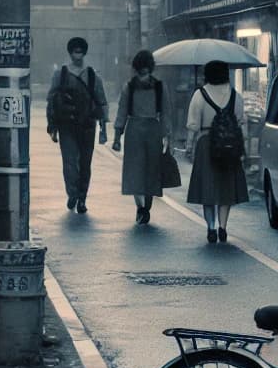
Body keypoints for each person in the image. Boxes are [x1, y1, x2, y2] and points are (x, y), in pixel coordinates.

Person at [185, 59, 249, 243]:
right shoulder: (235, 96)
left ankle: (211, 227)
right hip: (229, 145)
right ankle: (223, 227)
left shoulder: (199, 95)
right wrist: (243, 149)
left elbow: (193, 125)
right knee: (226, 188)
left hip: (206, 143)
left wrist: (189, 146)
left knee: (208, 189)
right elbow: (241, 124)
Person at [46, 36, 108, 214]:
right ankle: (72, 193)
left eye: (80, 51)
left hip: (87, 125)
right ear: (70, 53)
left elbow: (101, 102)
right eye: (75, 51)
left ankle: (82, 198)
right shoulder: (60, 74)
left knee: (85, 164)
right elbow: (51, 100)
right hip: (66, 125)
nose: (78, 54)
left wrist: (104, 128)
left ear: (84, 53)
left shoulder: (93, 75)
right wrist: (52, 126)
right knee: (70, 163)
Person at [112, 49, 172, 226]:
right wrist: (167, 135)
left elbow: (122, 112)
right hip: (153, 129)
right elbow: (166, 113)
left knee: (134, 171)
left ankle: (141, 207)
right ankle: (146, 206)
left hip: (134, 130)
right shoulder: (160, 87)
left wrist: (117, 136)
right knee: (151, 171)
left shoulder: (129, 86)